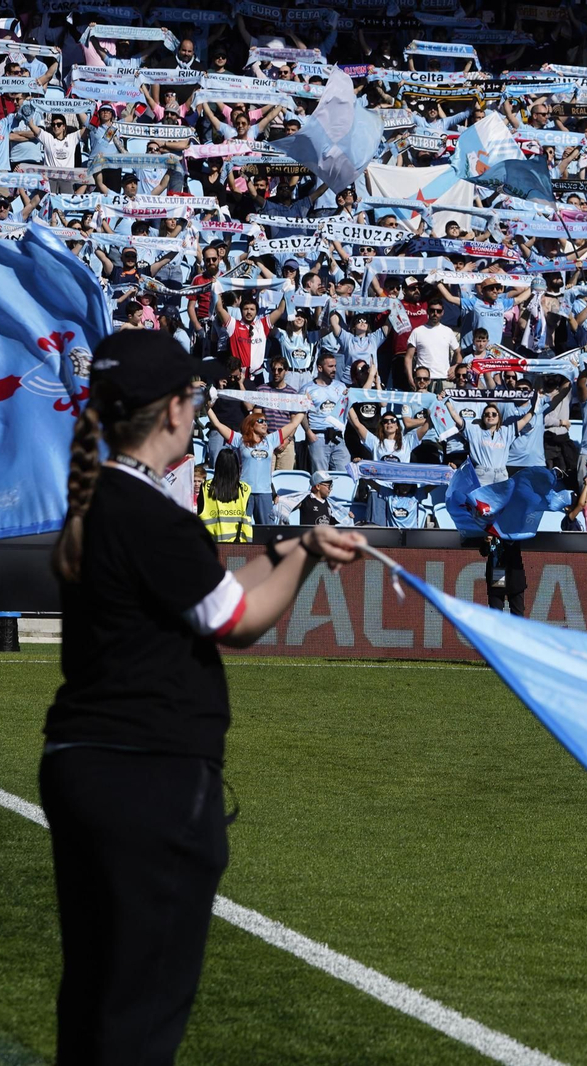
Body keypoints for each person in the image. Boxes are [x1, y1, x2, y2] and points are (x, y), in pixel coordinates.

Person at [43, 331, 364, 1065]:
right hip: (150, 773)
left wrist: (288, 550)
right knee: (142, 1010)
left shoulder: (106, 504)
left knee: (96, 990)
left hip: (86, 764)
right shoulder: (151, 516)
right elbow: (236, 621)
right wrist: (309, 557)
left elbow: (213, 594)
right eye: (195, 396)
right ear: (173, 413)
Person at [200, 448, 252, 543]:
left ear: (217, 466)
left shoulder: (204, 487)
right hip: (239, 548)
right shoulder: (245, 489)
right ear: (237, 467)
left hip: (210, 546)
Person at [483, 536, 526, 615]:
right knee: (496, 615)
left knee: (517, 616)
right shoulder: (490, 529)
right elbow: (483, 552)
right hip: (496, 574)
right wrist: (486, 542)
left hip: (514, 576)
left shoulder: (513, 530)